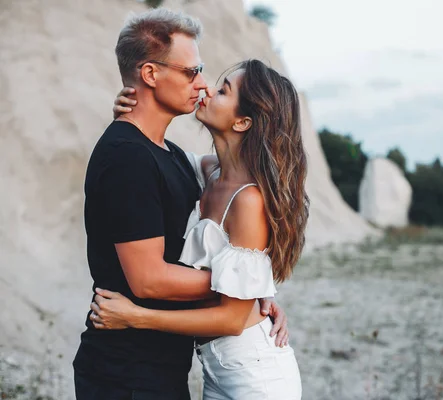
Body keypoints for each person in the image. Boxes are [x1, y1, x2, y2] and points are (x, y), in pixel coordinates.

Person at [73, 9, 288, 400]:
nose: (202, 85)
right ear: (151, 75)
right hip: (126, 373)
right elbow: (148, 279)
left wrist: (250, 289)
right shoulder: (128, 156)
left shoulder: (173, 157)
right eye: (191, 72)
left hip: (165, 369)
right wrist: (240, 291)